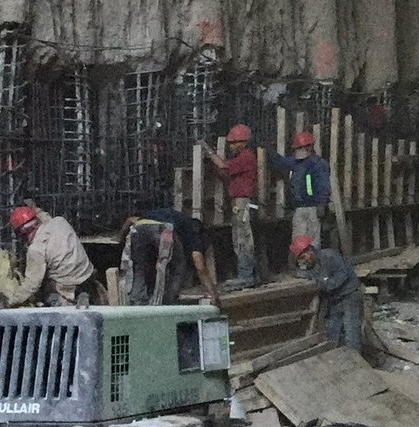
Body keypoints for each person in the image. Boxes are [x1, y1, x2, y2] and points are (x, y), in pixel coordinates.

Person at [0, 205, 94, 308]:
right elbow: (44, 216)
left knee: (44, 294)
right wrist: (32, 206)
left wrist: (10, 302)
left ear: (21, 233)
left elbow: (32, 285)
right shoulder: (59, 222)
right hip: (88, 276)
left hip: (69, 286)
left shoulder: (36, 249)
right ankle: (85, 294)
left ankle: (67, 301)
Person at [208, 123, 267, 287]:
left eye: (234, 143)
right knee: (243, 238)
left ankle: (246, 276)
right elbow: (224, 173)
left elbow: (223, 166)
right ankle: (251, 275)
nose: (231, 146)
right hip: (241, 203)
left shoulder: (246, 157)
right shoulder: (241, 159)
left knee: (243, 239)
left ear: (243, 143)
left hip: (244, 203)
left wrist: (209, 152)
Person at [122, 207, 220, 306]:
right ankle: (168, 302)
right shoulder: (193, 230)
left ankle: (137, 304)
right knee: (177, 267)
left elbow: (129, 220)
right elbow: (199, 265)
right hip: (162, 229)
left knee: (140, 268)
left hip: (138, 228)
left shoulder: (171, 215)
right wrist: (213, 293)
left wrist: (120, 239)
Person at [291, 236, 362, 350]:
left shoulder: (329, 255)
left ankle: (357, 363)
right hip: (333, 300)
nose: (303, 261)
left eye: (304, 257)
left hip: (349, 295)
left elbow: (343, 273)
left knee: (351, 333)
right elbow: (307, 279)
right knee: (332, 334)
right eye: (300, 259)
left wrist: (327, 284)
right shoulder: (307, 267)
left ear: (310, 250)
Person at [270, 130, 333, 249]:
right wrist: (269, 151)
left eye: (300, 148)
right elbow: (280, 162)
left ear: (310, 147)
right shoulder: (296, 162)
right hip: (299, 208)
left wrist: (322, 203)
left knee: (313, 242)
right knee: (299, 242)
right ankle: (303, 265)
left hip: (313, 207)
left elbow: (323, 185)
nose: (298, 151)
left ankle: (313, 265)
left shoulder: (318, 164)